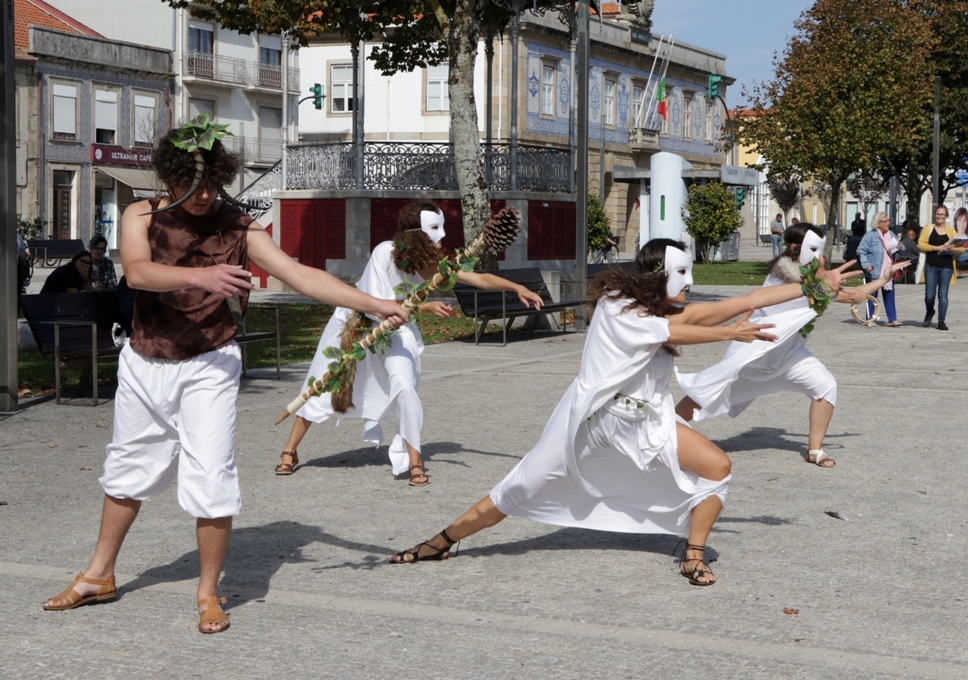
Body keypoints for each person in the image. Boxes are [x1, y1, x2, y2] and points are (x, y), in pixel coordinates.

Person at [41, 120, 409, 634]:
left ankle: (208, 592)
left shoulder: (237, 226)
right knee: (126, 468)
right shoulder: (140, 214)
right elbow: (138, 272)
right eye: (191, 184)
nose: (203, 194)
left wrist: (375, 304)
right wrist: (202, 275)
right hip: (146, 360)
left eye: (212, 184)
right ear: (170, 177)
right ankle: (99, 576)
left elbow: (299, 273)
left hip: (210, 363)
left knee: (212, 473)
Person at [388, 239, 860, 586]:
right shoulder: (617, 307)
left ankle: (693, 555)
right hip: (590, 424)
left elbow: (749, 300)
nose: (689, 283)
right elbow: (671, 332)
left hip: (646, 420)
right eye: (680, 274)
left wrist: (812, 285)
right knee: (517, 489)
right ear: (656, 274)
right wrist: (727, 335)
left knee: (718, 466)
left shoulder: (664, 311)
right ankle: (441, 541)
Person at [275, 201, 544, 485]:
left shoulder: (433, 267)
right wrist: (426, 308)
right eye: (434, 228)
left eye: (443, 228)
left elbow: (477, 278)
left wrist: (516, 287)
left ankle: (414, 462)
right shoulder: (384, 252)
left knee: (404, 387)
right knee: (321, 383)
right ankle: (289, 451)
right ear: (416, 233)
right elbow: (377, 304)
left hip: (397, 330)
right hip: (355, 323)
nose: (441, 236)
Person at [676, 224, 909, 468]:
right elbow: (811, 291)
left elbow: (852, 296)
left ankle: (815, 450)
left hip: (790, 355)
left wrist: (883, 279)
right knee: (710, 389)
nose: (819, 256)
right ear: (795, 248)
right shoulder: (780, 277)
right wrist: (825, 285)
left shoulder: (816, 281)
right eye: (813, 249)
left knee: (826, 386)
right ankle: (668, 427)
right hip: (758, 352)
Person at [918, 205, 964, 331]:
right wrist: (937, 248)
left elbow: (962, 248)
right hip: (931, 265)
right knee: (929, 295)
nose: (940, 216)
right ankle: (929, 311)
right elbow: (921, 244)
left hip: (946, 266)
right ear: (935, 214)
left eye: (942, 214)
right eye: (938, 214)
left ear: (946, 216)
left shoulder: (951, 232)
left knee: (943, 295)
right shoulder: (928, 228)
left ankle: (941, 321)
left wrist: (952, 248)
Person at [857, 213, 903, 326]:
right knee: (872, 297)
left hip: (888, 271)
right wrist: (866, 264)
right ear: (878, 223)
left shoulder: (890, 234)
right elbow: (860, 251)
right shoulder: (869, 236)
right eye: (885, 221)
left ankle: (892, 319)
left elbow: (901, 247)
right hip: (874, 271)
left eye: (888, 221)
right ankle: (870, 319)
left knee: (889, 295)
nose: (888, 223)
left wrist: (900, 246)